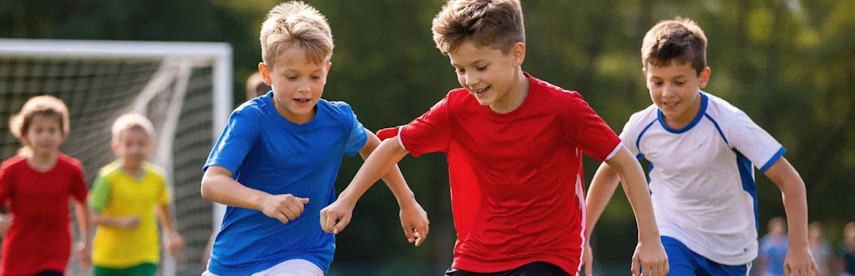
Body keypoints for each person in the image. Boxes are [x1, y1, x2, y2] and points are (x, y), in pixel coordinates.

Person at [319, 1, 668, 275]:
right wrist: (347, 200)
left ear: (516, 54)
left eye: (480, 67)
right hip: (475, 257)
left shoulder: (563, 109)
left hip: (548, 256)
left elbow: (624, 161)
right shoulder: (456, 109)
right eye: (460, 69)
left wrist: (650, 239)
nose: (470, 79)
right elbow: (392, 147)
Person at [199, 2, 428, 275]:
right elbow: (212, 183)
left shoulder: (338, 121)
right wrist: (265, 200)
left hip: (305, 254)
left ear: (327, 71)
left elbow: (375, 147)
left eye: (315, 76)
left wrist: (406, 201)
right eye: (292, 76)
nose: (304, 87)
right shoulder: (250, 118)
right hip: (233, 261)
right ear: (266, 74)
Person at [584, 17, 819, 275]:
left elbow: (791, 182)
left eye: (679, 82)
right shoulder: (641, 126)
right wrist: (582, 237)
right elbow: (609, 172)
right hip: (670, 236)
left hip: (730, 249)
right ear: (645, 77)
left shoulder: (729, 122)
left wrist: (798, 248)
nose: (667, 92)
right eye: (658, 82)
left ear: (702, 77)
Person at [0, 95, 91, 276]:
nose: (45, 136)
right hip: (17, 255)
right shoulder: (11, 170)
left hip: (54, 255)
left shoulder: (72, 169)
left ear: (62, 134)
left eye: (52, 130)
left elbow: (83, 202)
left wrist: (86, 240)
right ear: (25, 135)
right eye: (38, 130)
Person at [88, 113, 184, 276]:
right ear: (116, 147)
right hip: (109, 259)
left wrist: (171, 234)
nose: (135, 149)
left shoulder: (157, 177)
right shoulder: (107, 178)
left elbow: (163, 206)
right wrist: (120, 222)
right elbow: (92, 217)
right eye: (129, 144)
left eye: (141, 144)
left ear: (150, 146)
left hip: (144, 256)